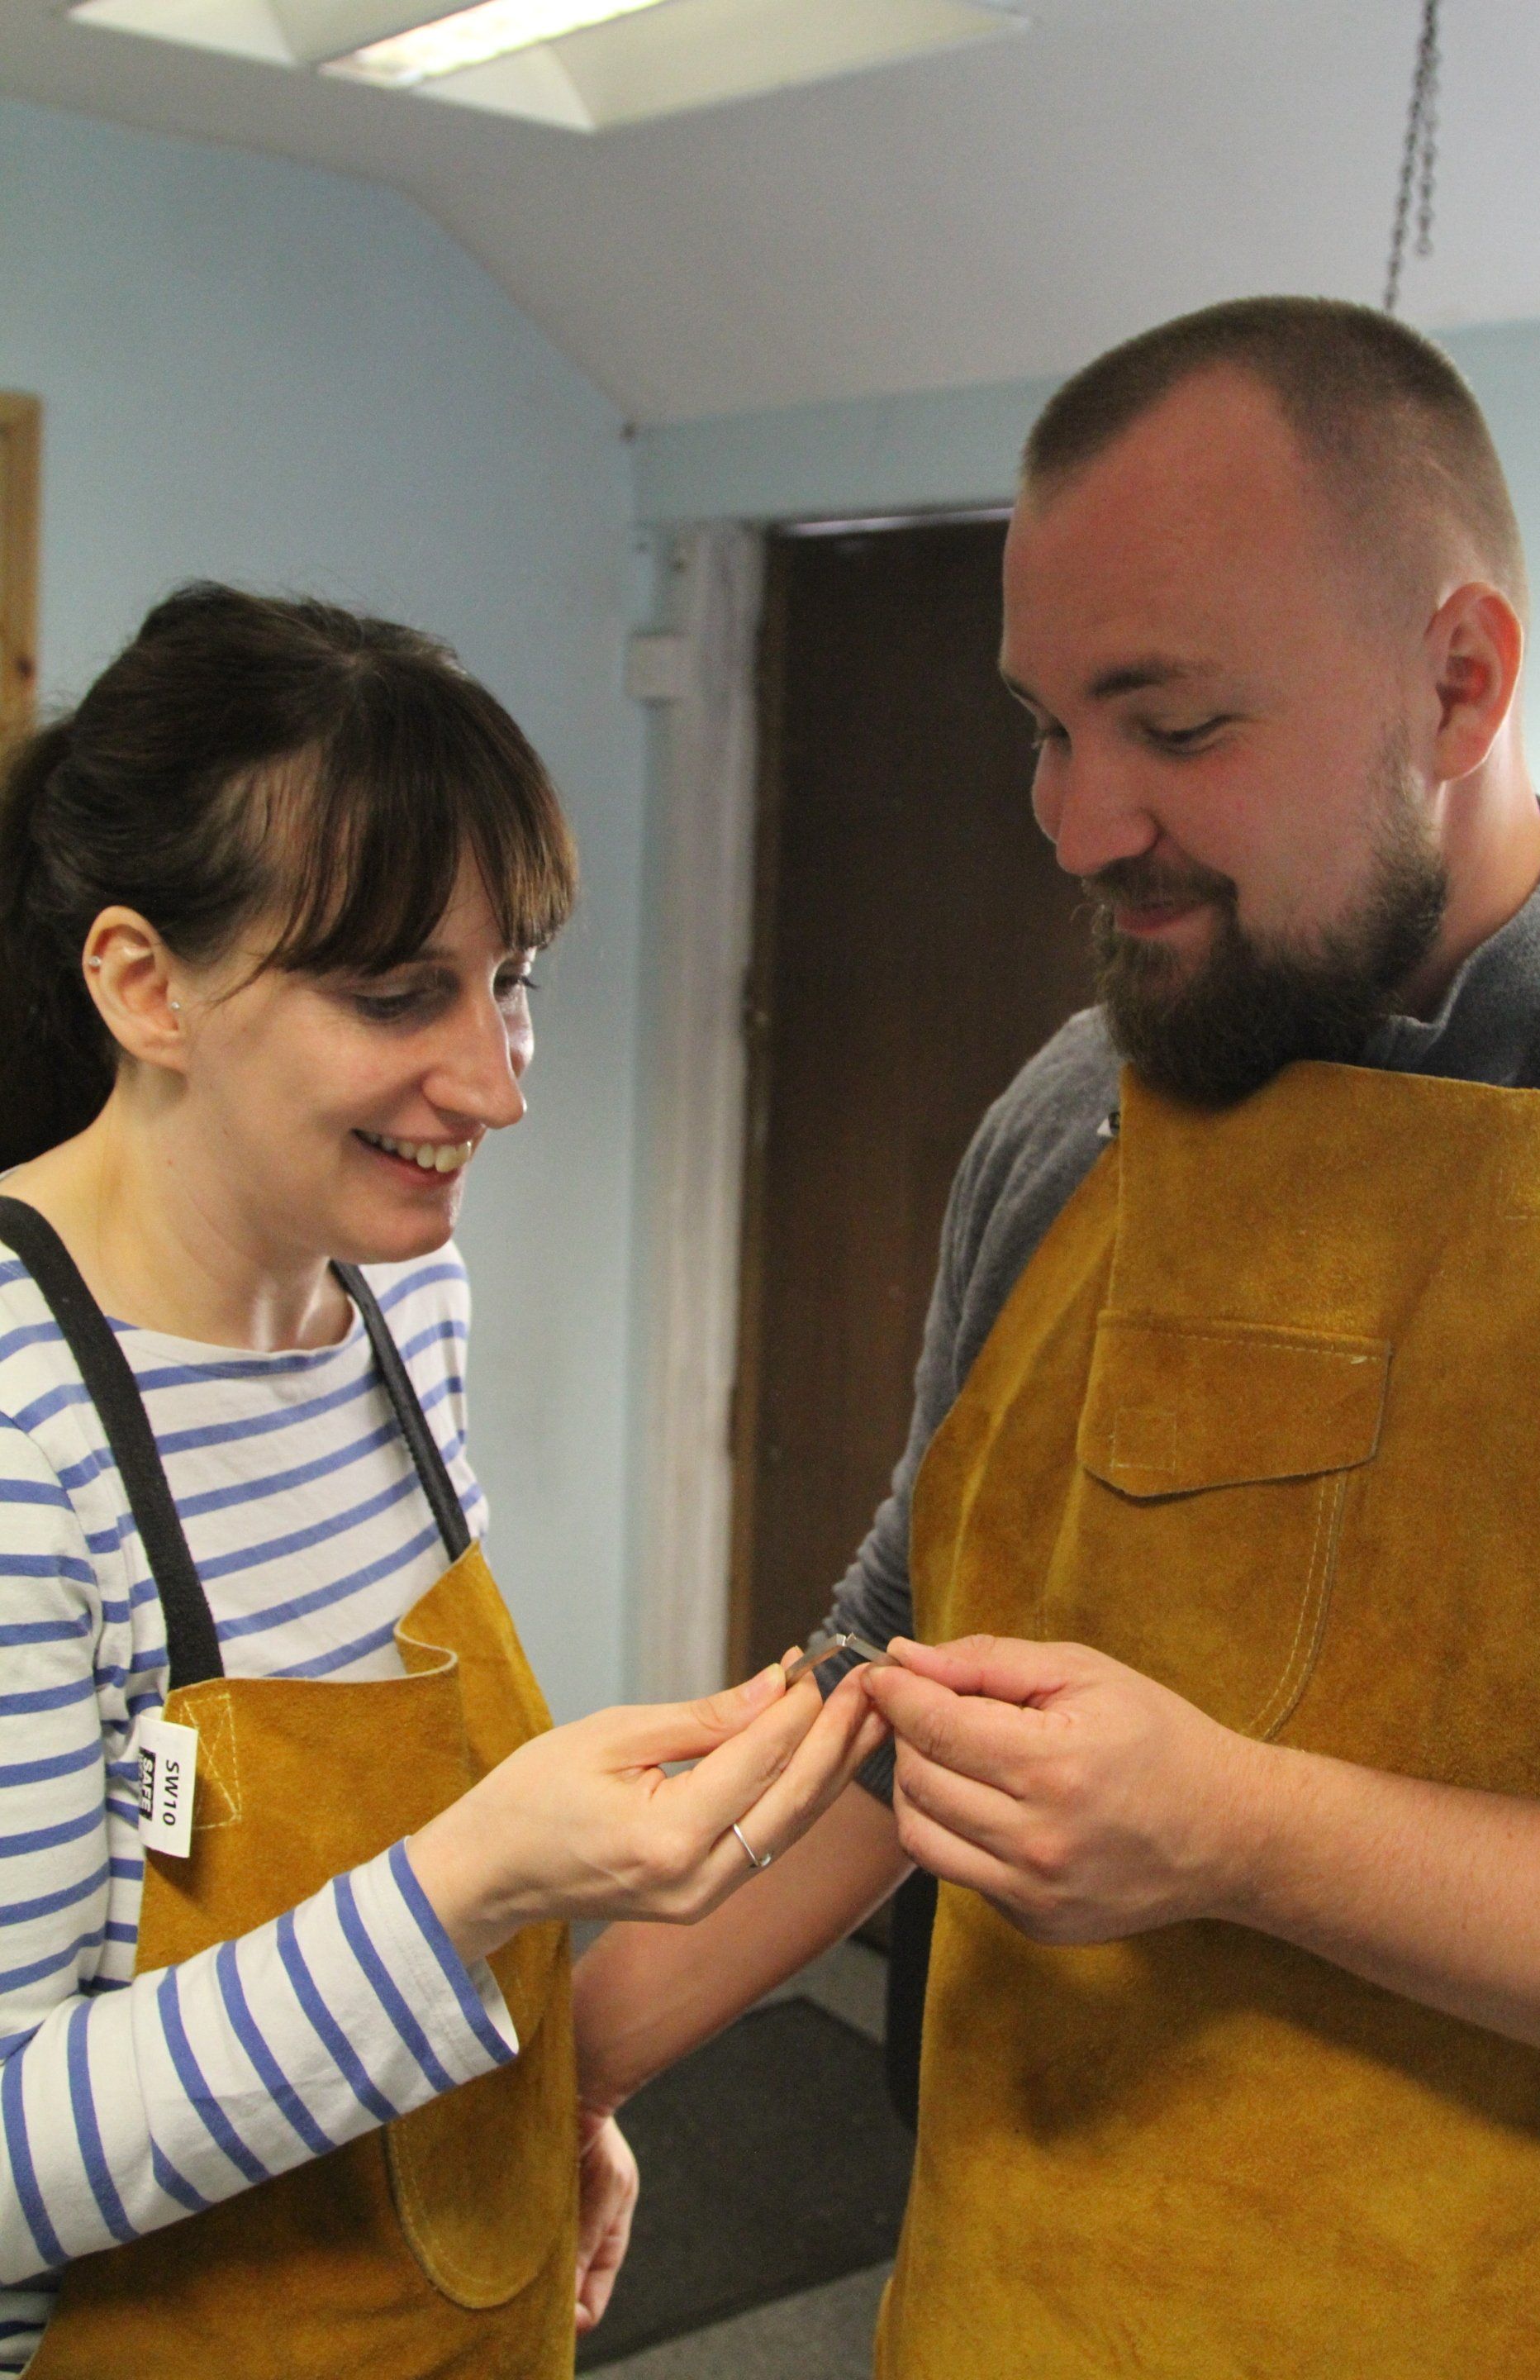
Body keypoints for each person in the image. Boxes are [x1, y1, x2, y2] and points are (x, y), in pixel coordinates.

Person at [573, 297, 1540, 2377]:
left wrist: (1239, 1830)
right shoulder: (1071, 1107)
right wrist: (551, 2069)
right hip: (1001, 2306)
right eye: (1045, 723)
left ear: (1461, 679)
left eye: (1175, 726)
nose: (1073, 821)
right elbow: (903, 1660)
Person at [0, 584, 883, 2379]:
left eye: (515, 982)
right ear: (144, 984)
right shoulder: (24, 1434)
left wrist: (527, 2097)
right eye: (401, 992)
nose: (496, 1083)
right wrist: (472, 1889)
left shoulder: (405, 1300)